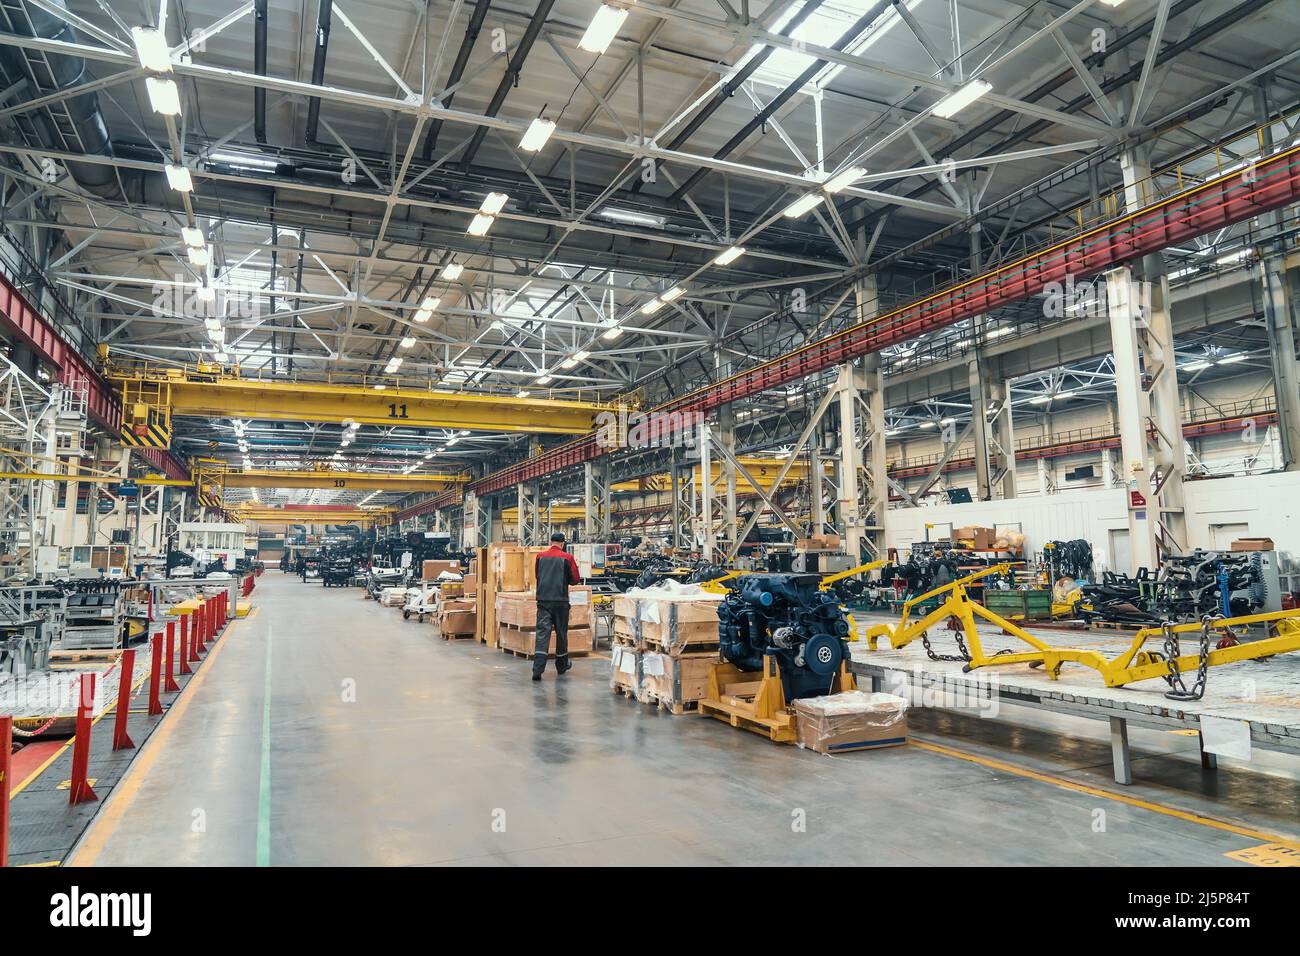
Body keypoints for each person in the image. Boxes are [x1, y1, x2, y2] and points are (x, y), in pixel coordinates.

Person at [533, 531, 581, 681]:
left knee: (542, 634)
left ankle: (537, 669)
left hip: (543, 601)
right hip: (560, 601)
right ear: (562, 544)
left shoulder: (540, 557)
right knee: (561, 633)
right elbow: (575, 579)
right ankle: (561, 666)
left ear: (551, 542)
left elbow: (537, 576)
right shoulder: (567, 557)